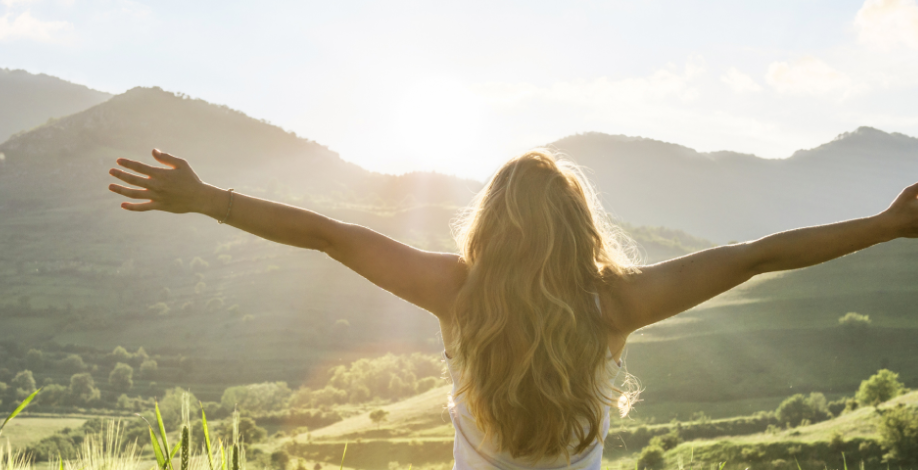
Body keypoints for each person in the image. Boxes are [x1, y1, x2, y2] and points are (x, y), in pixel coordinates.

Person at [108, 148, 918, 469]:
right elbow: (757, 255)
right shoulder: (617, 303)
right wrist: (886, 227)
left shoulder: (454, 293)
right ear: (581, 225)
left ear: (489, 224)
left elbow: (328, 234)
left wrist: (210, 198)